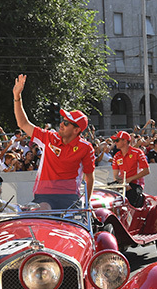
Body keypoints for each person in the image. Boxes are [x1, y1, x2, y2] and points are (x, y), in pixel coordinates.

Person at [12, 73, 95, 209]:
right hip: (44, 195)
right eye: (63, 120)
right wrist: (17, 97)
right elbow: (23, 124)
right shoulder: (49, 137)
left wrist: (87, 202)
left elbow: (89, 177)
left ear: (76, 131)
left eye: (67, 123)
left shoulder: (86, 148)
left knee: (76, 225)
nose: (61, 124)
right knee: (41, 213)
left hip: (69, 197)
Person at [111, 131, 150, 207]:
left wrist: (129, 179)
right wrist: (122, 183)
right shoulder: (116, 156)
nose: (115, 143)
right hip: (123, 185)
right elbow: (115, 176)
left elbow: (146, 171)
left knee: (132, 197)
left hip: (136, 184)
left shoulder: (138, 152)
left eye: (117, 140)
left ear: (125, 141)